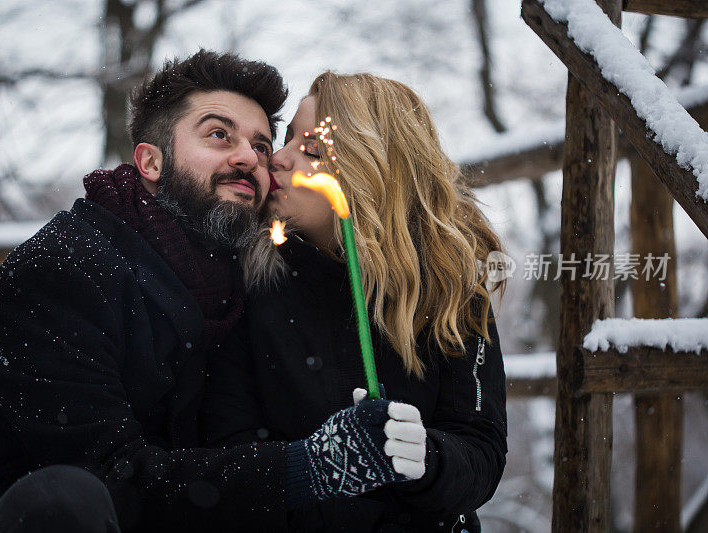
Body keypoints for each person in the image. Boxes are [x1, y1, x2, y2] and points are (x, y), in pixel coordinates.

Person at [0, 52, 419, 533]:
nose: (249, 159)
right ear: (150, 161)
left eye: (262, 146)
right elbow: (111, 482)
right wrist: (309, 467)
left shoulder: (239, 283)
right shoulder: (65, 270)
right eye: (220, 135)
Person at [203, 72, 508, 532]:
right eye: (286, 141)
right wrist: (320, 469)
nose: (278, 159)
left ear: (374, 169)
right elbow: (230, 454)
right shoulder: (249, 285)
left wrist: (426, 458)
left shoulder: (451, 287)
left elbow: (481, 450)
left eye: (312, 150)